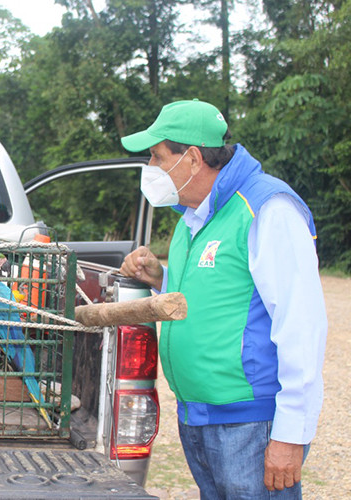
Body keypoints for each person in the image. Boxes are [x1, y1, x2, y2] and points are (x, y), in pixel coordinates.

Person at [118, 99, 327, 499]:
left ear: (193, 159)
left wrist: (290, 435)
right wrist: (159, 278)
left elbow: (302, 324)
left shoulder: (267, 208)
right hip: (200, 417)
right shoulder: (193, 217)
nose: (151, 168)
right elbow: (218, 298)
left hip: (251, 424)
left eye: (157, 156)